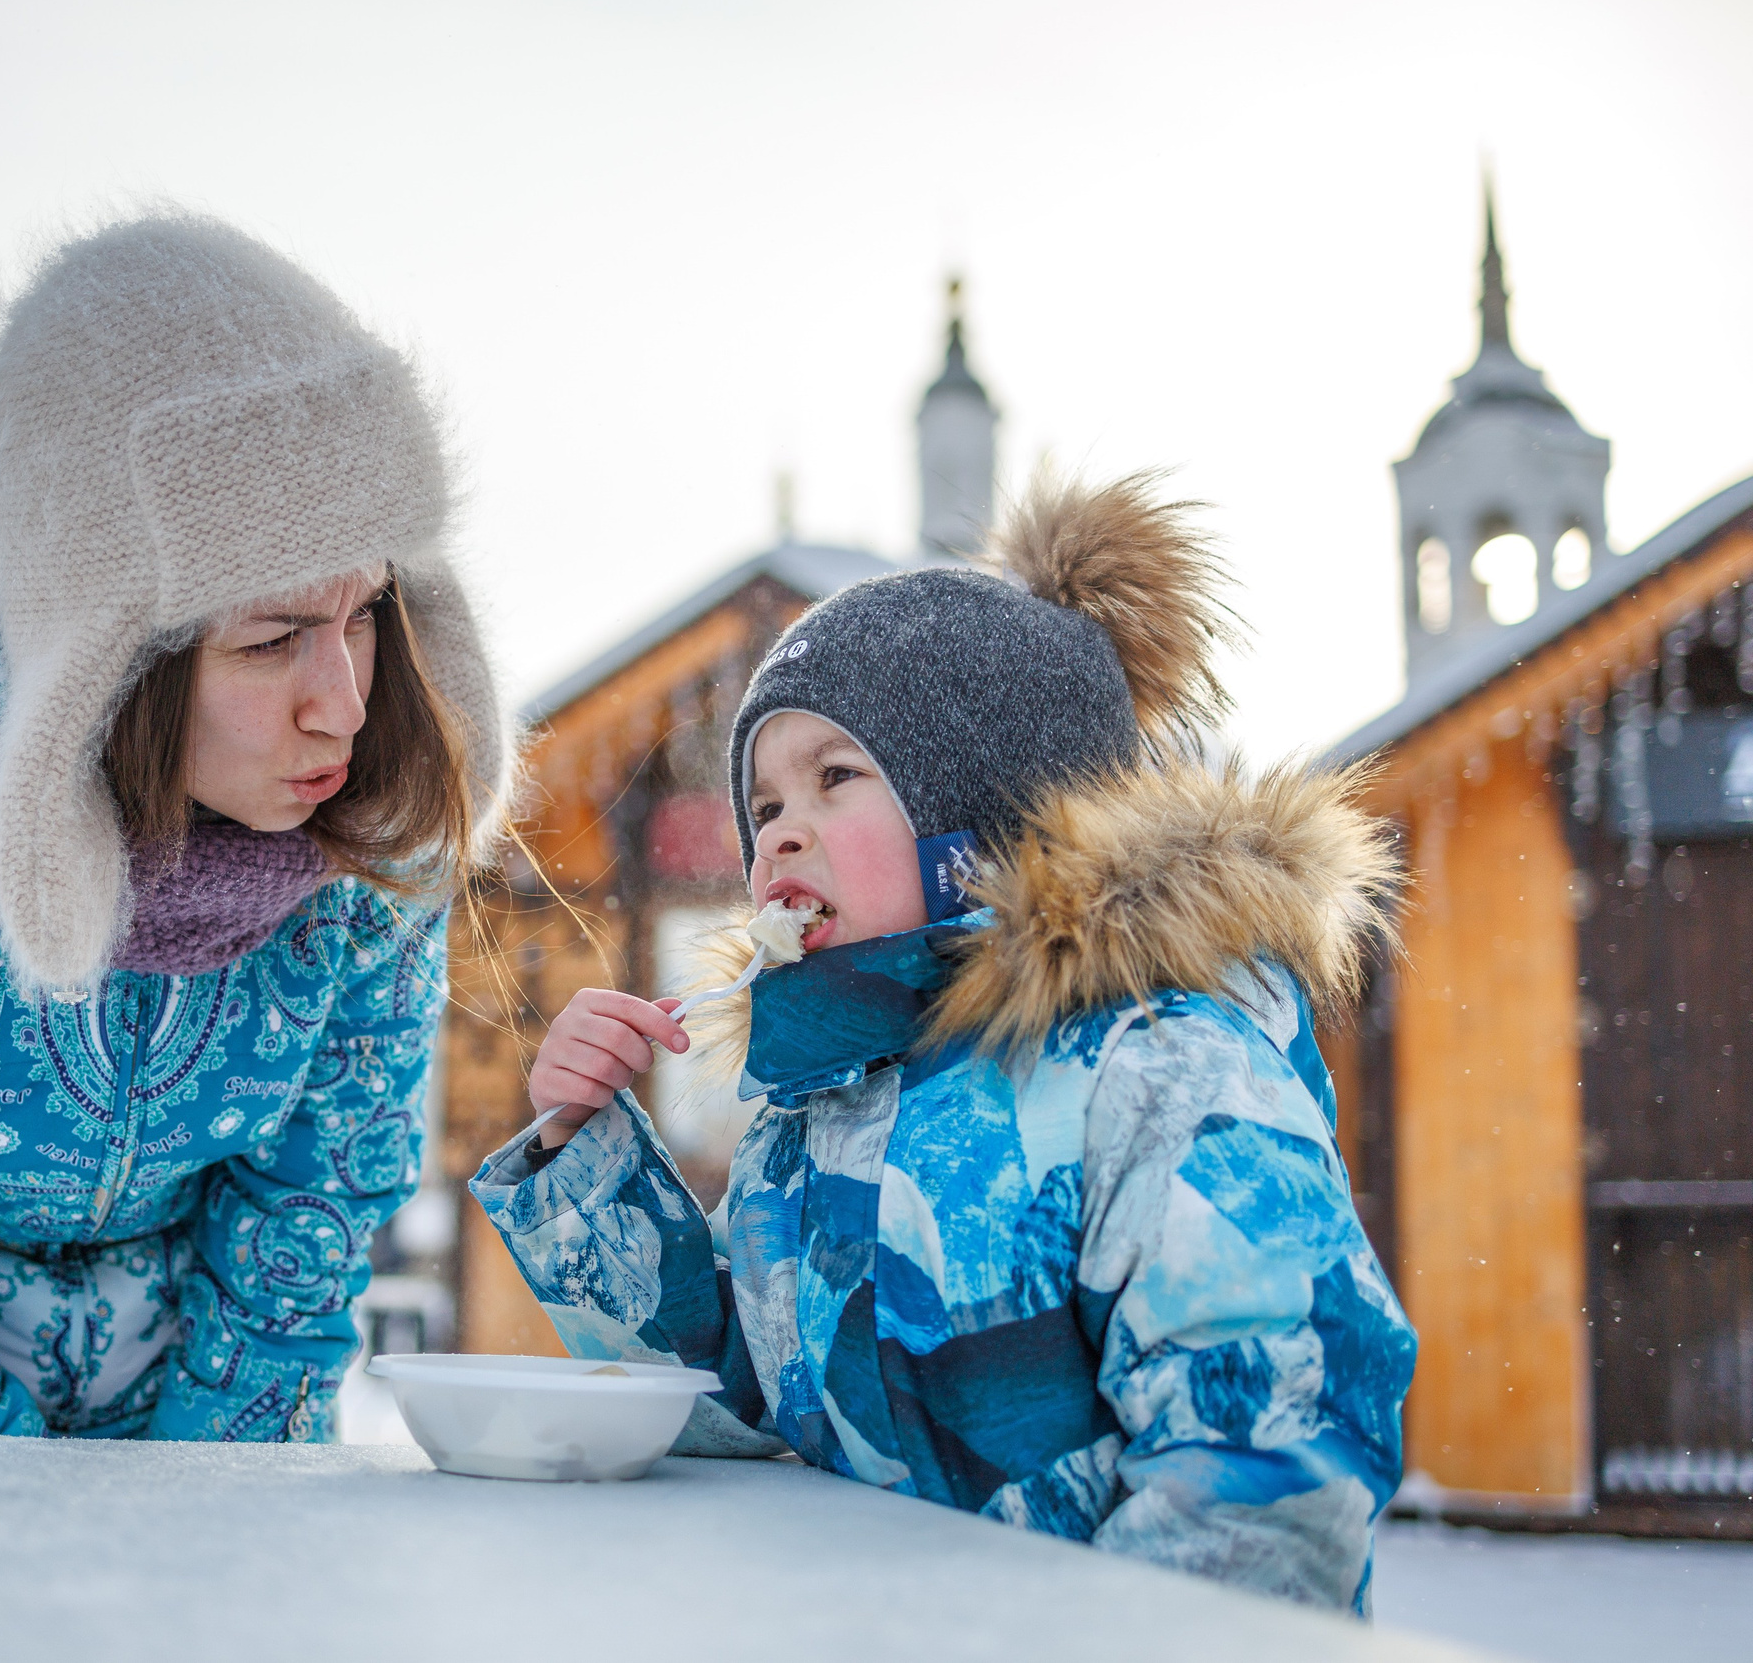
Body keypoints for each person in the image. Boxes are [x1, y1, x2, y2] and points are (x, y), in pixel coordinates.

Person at [477, 473, 1418, 1613]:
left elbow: (1270, 1448)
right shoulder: (818, 1102)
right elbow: (736, 1394)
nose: (781, 834)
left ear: (987, 820)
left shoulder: (1162, 1071)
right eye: (764, 807)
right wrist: (588, 1160)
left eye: (835, 778)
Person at [0, 214, 507, 1438]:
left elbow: (308, 1221)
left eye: (366, 615)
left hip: (210, 1460)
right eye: (272, 638)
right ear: (102, 662)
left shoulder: (368, 841)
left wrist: (203, 1516)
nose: (344, 704)